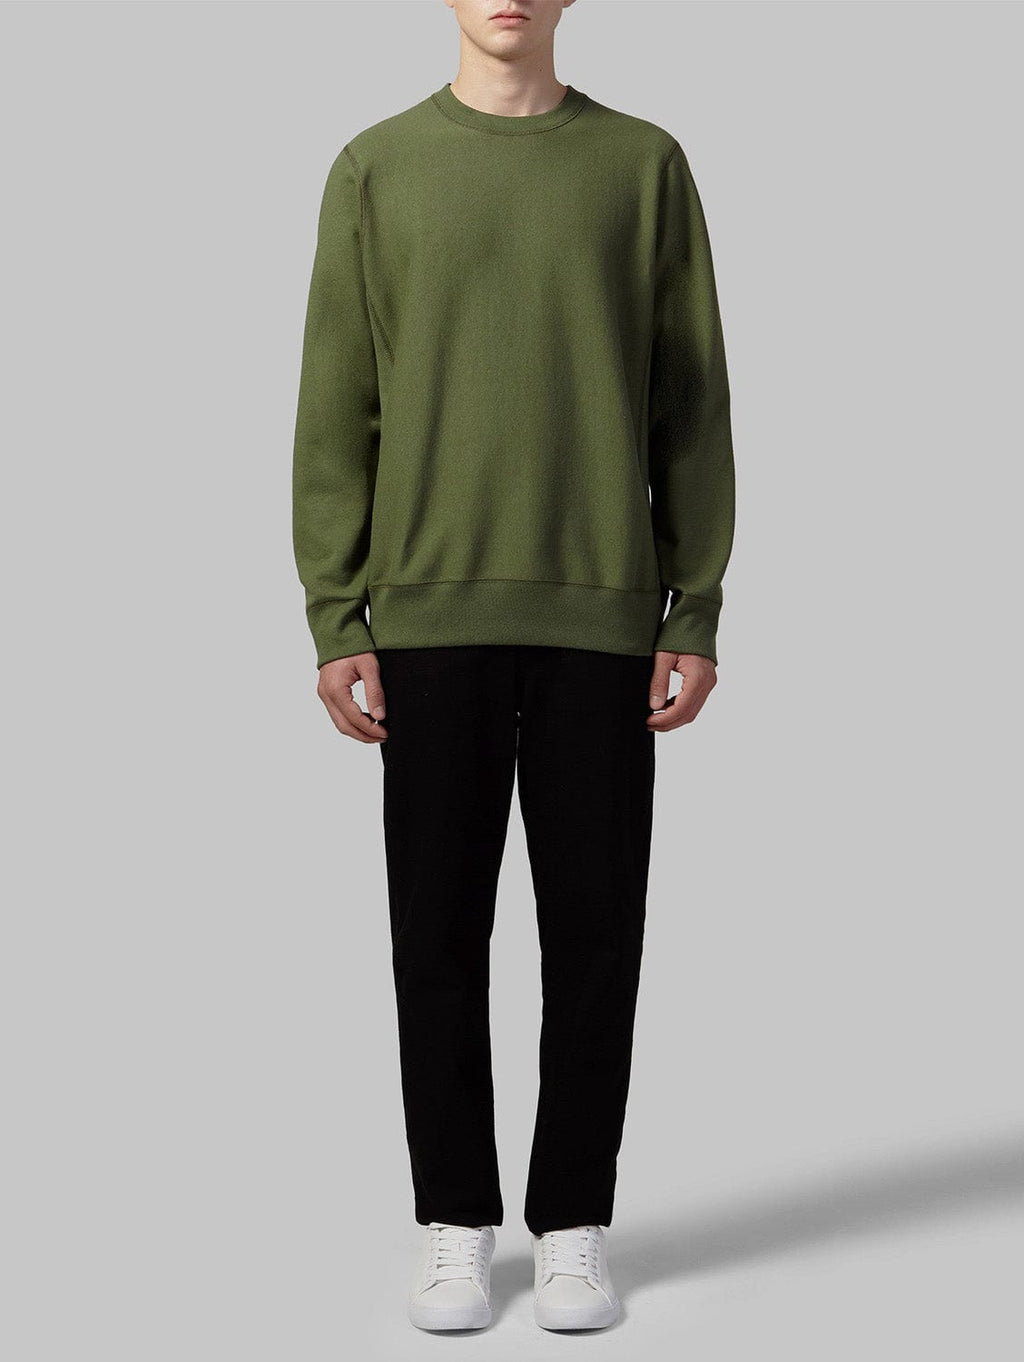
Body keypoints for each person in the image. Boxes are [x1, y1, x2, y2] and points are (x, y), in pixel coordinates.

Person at [291, 0, 735, 1334]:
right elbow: (336, 401)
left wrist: (695, 603)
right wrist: (337, 614)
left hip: (603, 611)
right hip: (428, 616)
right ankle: (455, 1221)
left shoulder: (643, 167)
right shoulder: (376, 169)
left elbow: (692, 399)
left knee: (596, 934)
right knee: (437, 933)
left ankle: (574, 1221)